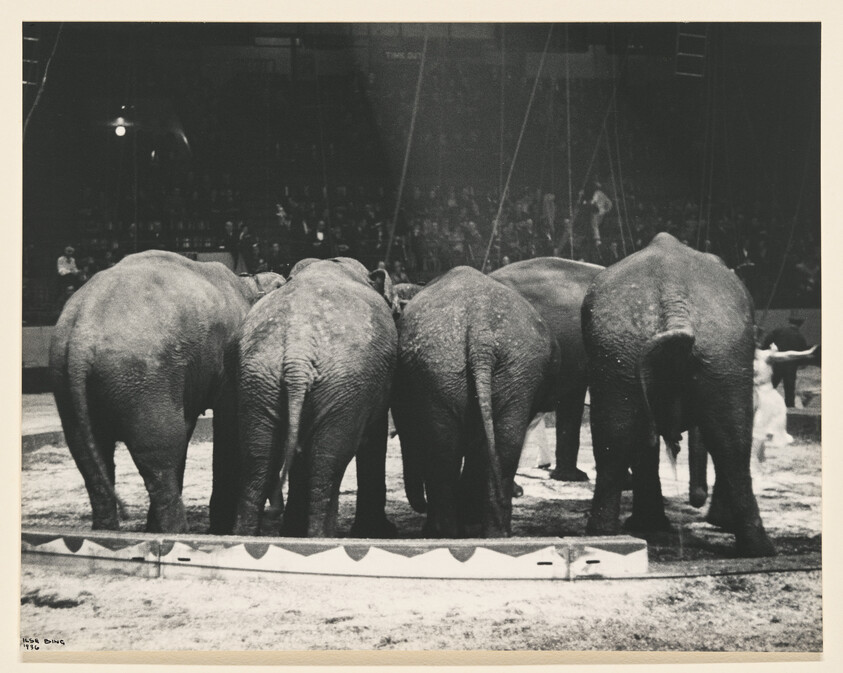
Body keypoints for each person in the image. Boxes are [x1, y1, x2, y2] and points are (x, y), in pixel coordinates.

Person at [752, 343, 818, 463]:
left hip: (766, 396)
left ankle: (756, 459)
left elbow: (787, 355)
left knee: (759, 427)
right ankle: (758, 457)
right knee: (754, 428)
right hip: (750, 395)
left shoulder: (766, 355)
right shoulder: (742, 358)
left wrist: (806, 353)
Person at [761, 316, 810, 407]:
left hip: (778, 362)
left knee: (771, 385)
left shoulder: (779, 331)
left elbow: (768, 339)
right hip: (791, 366)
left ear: (789, 323)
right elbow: (803, 353)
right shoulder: (800, 337)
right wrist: (801, 364)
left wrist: (766, 349)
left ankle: (764, 404)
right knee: (789, 389)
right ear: (800, 325)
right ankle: (790, 407)